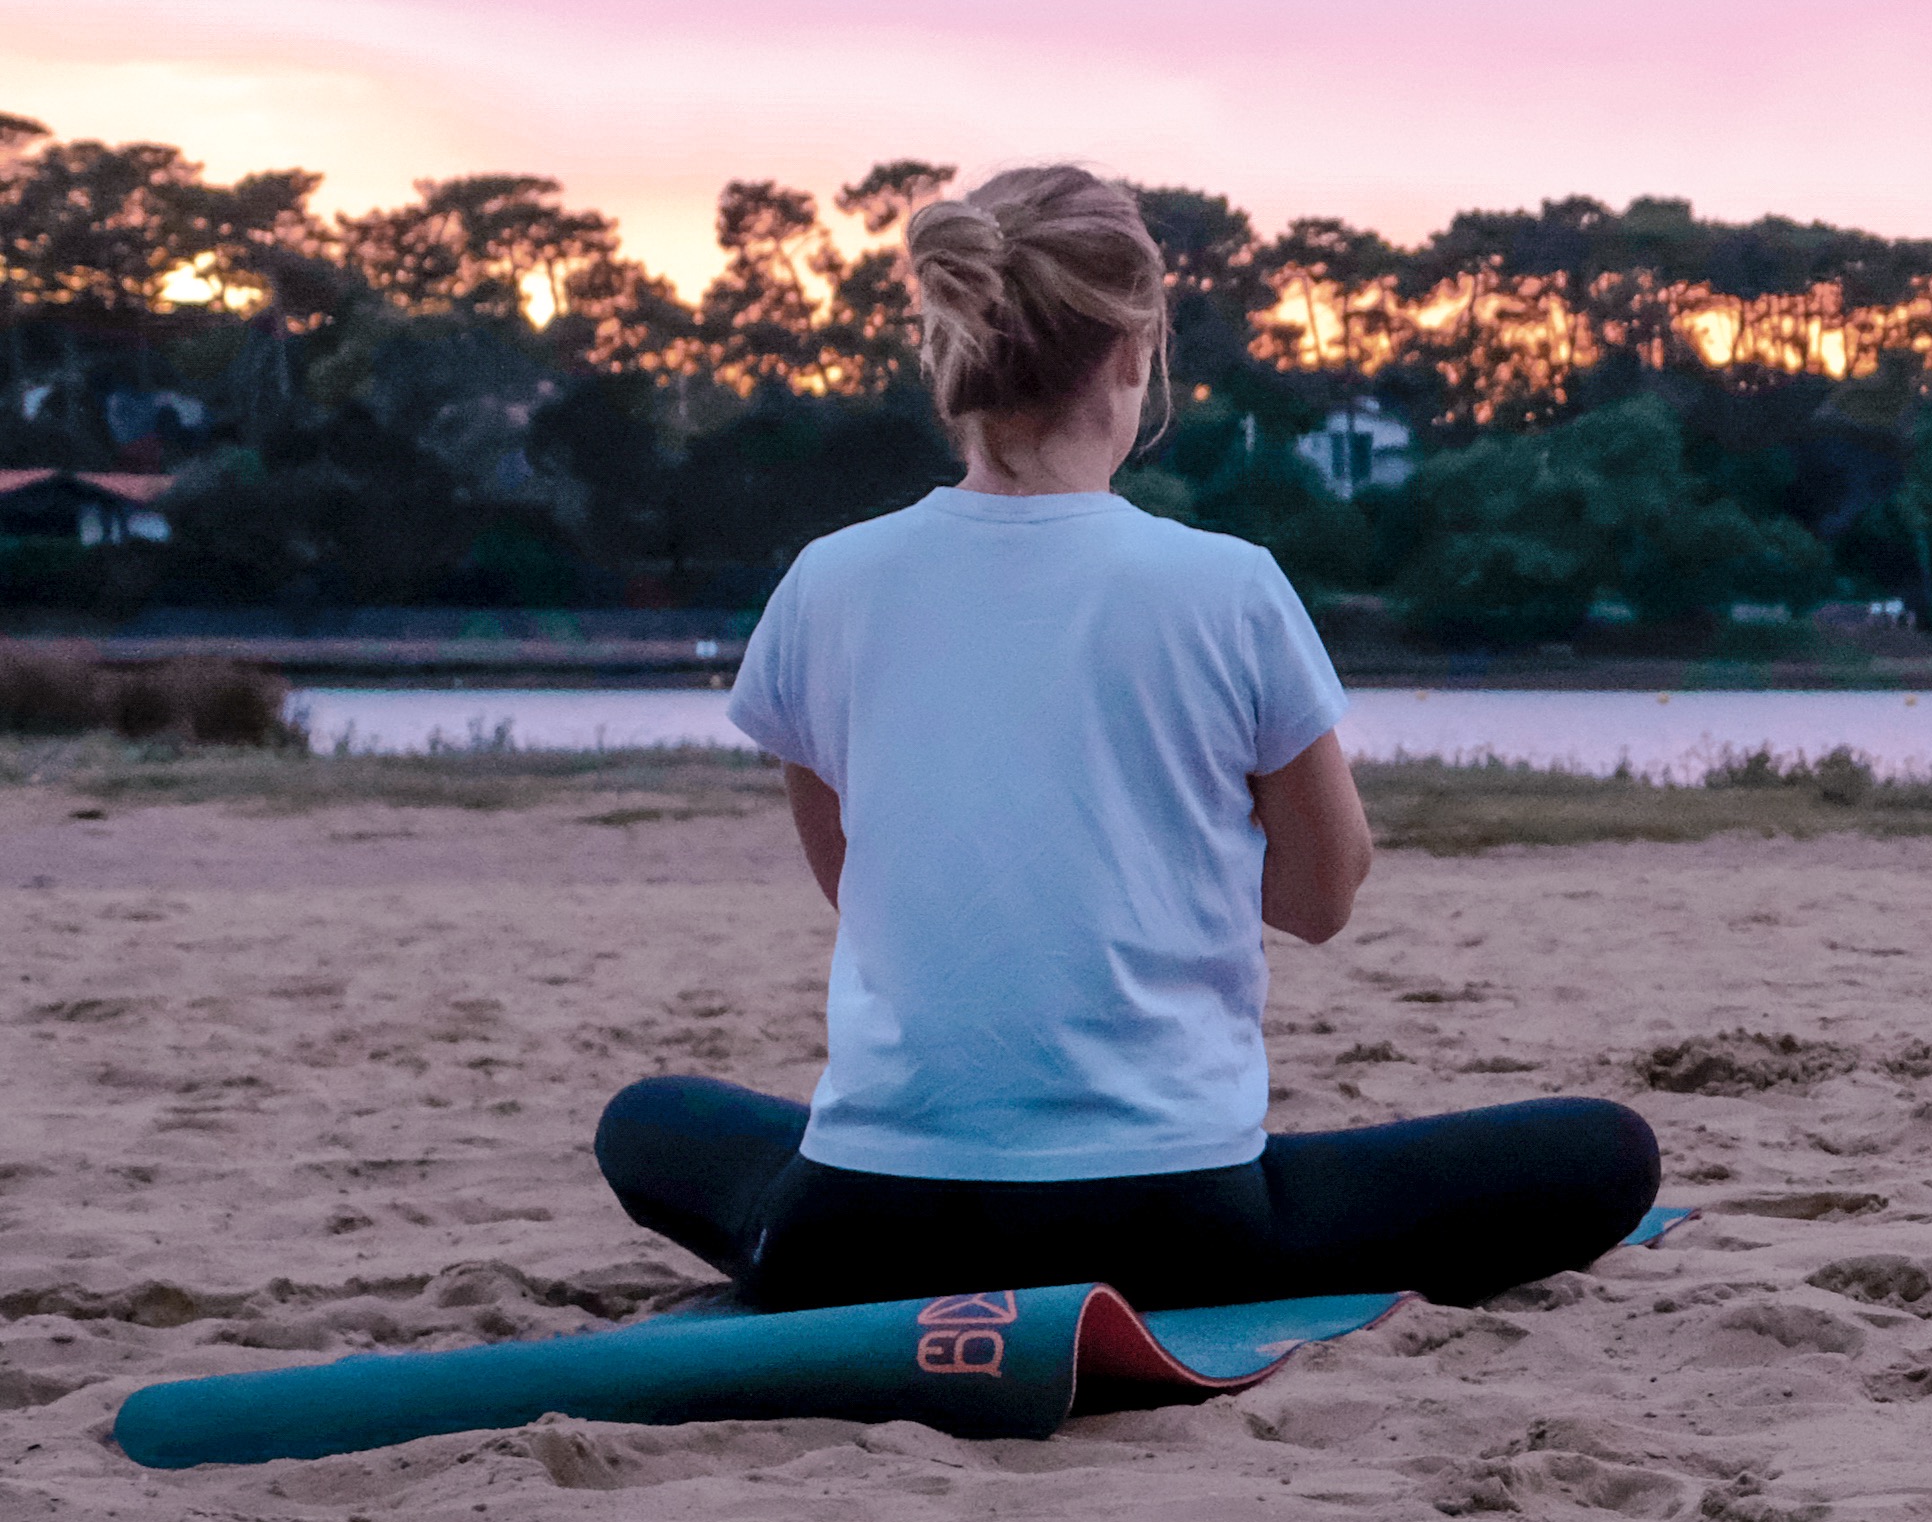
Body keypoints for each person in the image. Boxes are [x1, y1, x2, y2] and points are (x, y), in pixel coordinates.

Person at [598, 165, 1660, 1311]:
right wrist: (1152, 859)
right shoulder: (1227, 585)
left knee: (647, 1121)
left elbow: (862, 884)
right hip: (1173, 1221)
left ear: (949, 347)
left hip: (860, 1228)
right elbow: (1320, 897)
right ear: (1132, 346)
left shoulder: (828, 580)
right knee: (1605, 1152)